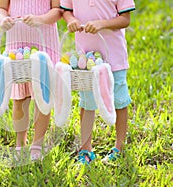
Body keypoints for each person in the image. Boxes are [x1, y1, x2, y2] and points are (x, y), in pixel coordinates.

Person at [60, 0, 135, 164]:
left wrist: (103, 24)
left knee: (119, 100)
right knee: (87, 102)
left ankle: (119, 147)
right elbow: (66, 10)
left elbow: (125, 19)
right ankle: (86, 149)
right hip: (86, 58)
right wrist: (71, 20)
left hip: (114, 57)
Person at [0, 0, 62, 160]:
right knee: (19, 98)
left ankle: (37, 145)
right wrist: (3, 19)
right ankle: (20, 144)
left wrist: (40, 19)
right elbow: (0, 8)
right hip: (16, 45)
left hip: (44, 43)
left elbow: (58, 10)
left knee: (42, 98)